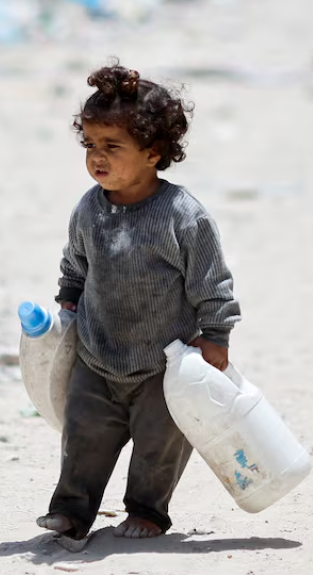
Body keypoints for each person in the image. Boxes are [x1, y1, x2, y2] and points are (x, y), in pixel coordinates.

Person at [36, 62, 241, 540]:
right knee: (83, 436)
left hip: (164, 365)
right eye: (90, 145)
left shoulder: (182, 216)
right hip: (97, 355)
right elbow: (75, 264)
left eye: (112, 146)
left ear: (153, 153)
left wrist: (216, 335)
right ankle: (71, 511)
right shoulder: (89, 208)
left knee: (159, 445)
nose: (97, 158)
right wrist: (67, 303)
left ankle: (147, 511)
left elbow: (211, 281)